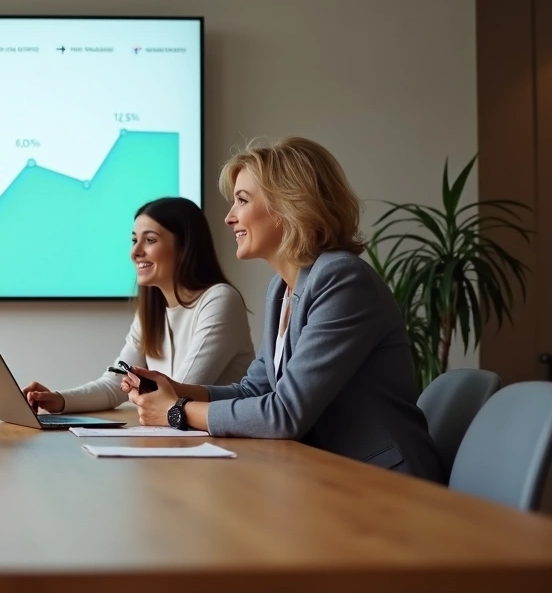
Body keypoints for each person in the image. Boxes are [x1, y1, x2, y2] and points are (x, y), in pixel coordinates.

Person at [124, 137, 444, 483]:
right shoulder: (282, 288)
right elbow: (254, 391)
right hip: (322, 474)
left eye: (242, 201)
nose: (230, 218)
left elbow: (285, 413)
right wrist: (178, 389)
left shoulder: (342, 279)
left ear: (289, 205)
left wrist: (177, 411)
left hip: (386, 483)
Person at [21, 197, 254, 414]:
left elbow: (178, 392)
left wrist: (138, 389)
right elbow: (116, 383)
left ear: (185, 247)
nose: (135, 252)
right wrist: (58, 399)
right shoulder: (152, 311)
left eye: (150, 240)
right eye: (134, 240)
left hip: (221, 447)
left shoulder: (220, 300)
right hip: (176, 440)